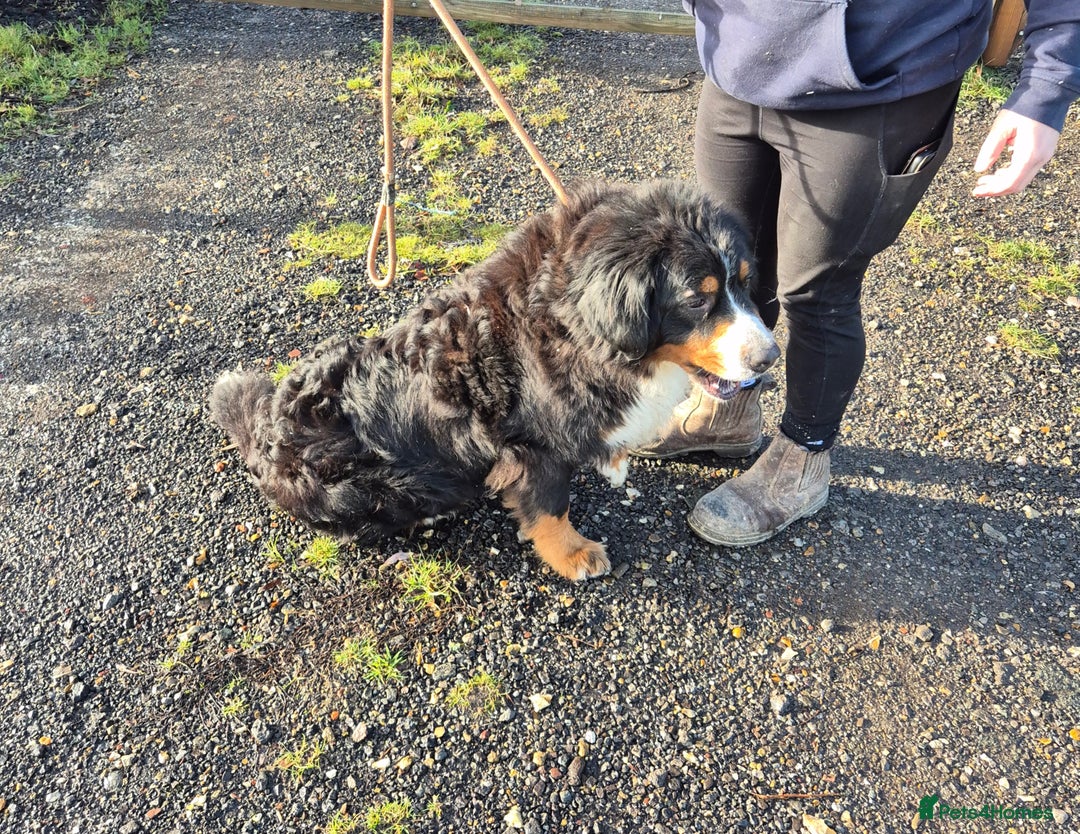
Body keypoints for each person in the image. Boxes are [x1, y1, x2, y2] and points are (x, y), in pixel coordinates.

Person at [636, 1, 1080, 546]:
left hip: (878, 78)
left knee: (816, 292)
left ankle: (803, 458)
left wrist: (1047, 87)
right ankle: (727, 411)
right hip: (738, 52)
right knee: (736, 270)